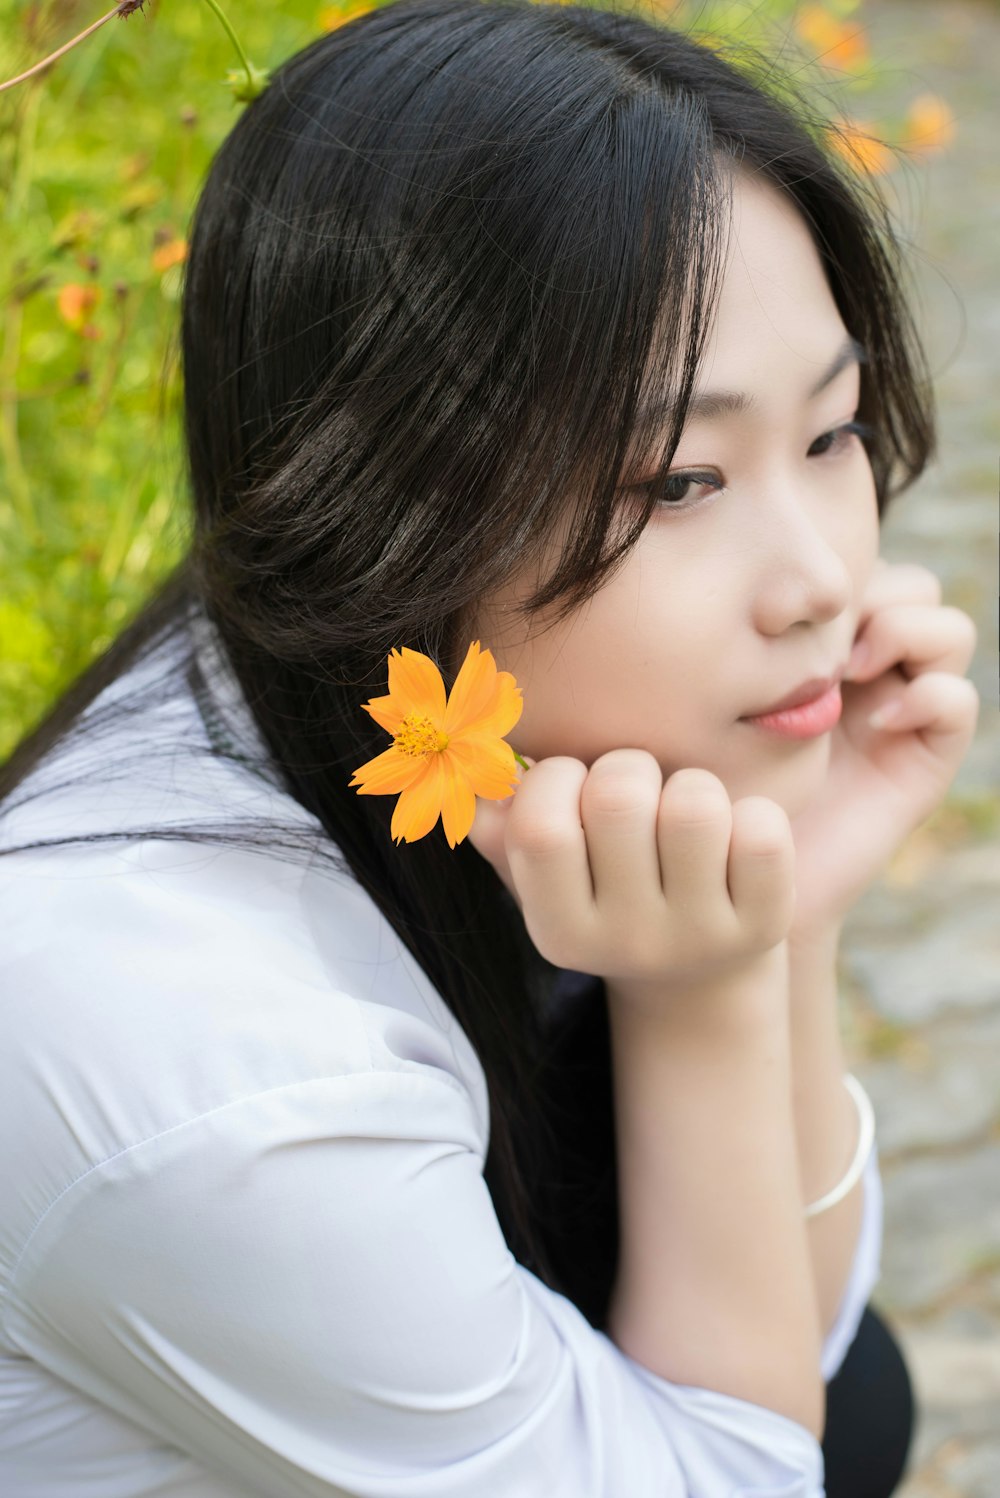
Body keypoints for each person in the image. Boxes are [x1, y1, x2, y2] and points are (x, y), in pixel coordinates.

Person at [0, 0, 978, 1492]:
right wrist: (702, 992)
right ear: (381, 505)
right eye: (680, 480)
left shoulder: (385, 690)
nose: (824, 581)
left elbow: (818, 1357)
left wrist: (791, 914)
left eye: (832, 433)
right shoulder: (226, 1062)